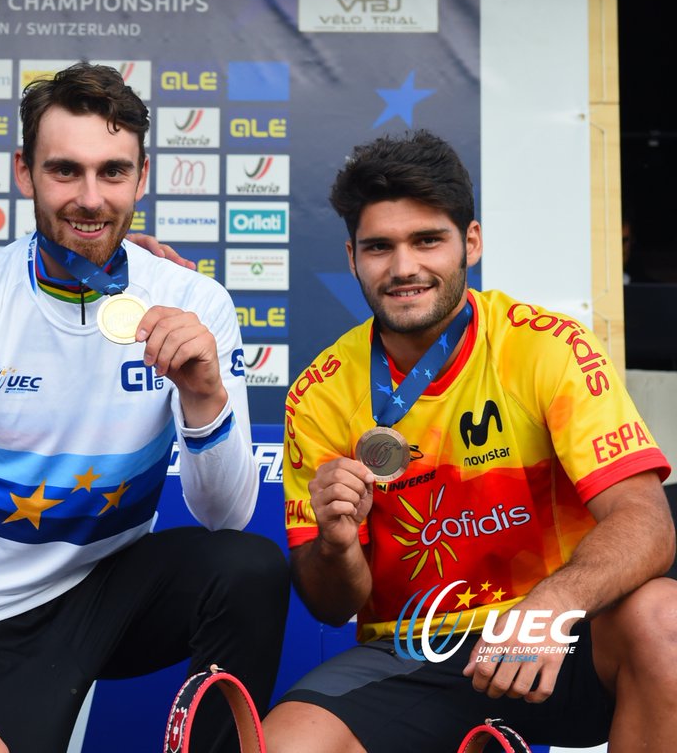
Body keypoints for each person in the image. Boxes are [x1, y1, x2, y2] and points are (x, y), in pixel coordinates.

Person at [0, 62, 289, 753]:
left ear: (142, 177)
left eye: (112, 172)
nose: (90, 199)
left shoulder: (194, 303)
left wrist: (204, 395)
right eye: (65, 171)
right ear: (24, 173)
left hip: (112, 591)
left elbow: (228, 517)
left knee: (249, 570)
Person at [262, 130, 676, 751]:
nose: (404, 267)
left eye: (427, 240)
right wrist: (337, 544)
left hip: (559, 634)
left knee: (664, 617)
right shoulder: (318, 393)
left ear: (471, 243)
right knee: (286, 745)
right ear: (352, 257)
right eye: (379, 247)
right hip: (414, 653)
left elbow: (648, 523)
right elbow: (329, 605)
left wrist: (551, 606)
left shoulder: (546, 346)